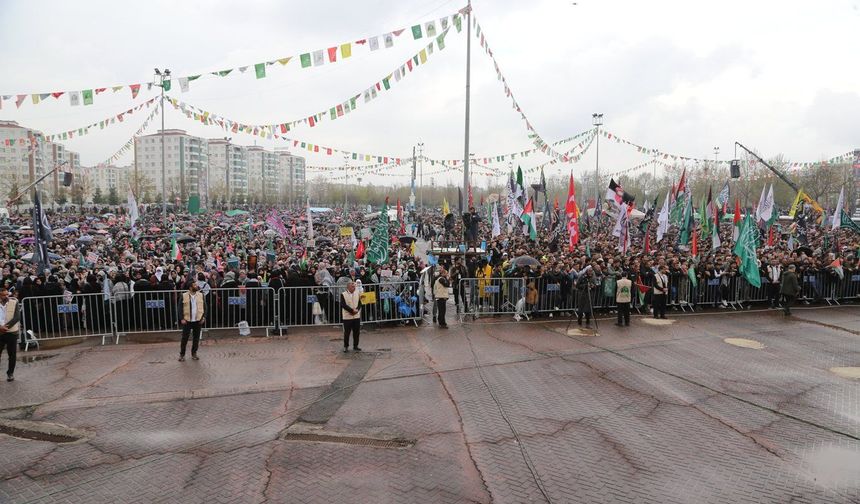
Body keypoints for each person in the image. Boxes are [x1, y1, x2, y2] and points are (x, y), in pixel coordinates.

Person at [179, 282, 205, 362]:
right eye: (195, 285)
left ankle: (194, 353)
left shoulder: (201, 295)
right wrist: (182, 318)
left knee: (196, 338)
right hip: (187, 320)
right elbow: (180, 308)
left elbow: (205, 307)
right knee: (184, 338)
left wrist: (203, 317)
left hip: (198, 320)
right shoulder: (183, 295)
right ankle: (182, 354)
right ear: (190, 287)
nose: (197, 286)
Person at [0, 288, 21, 381]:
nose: (6, 297)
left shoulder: (14, 302)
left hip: (11, 332)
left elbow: (17, 317)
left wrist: (5, 327)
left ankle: (10, 373)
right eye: (4, 295)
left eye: (7, 294)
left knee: (12, 354)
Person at [341, 280, 361, 352]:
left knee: (356, 332)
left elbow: (360, 303)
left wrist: (357, 310)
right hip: (347, 317)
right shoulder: (343, 294)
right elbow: (343, 305)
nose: (354, 288)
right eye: (352, 287)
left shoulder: (357, 293)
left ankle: (356, 345)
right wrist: (351, 311)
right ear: (348, 287)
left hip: (356, 316)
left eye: (354, 286)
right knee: (347, 332)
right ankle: (346, 346)